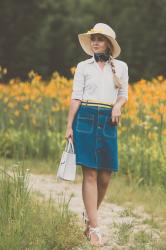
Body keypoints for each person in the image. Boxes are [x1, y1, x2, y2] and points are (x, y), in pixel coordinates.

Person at [65, 23, 129, 247]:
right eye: (93, 39)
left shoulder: (121, 67)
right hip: (85, 119)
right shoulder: (83, 66)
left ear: (109, 44)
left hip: (109, 121)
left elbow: (123, 94)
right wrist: (69, 126)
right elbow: (76, 97)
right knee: (90, 175)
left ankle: (89, 217)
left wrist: (118, 106)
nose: (94, 42)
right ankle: (95, 228)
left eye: (99, 39)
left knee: (105, 176)